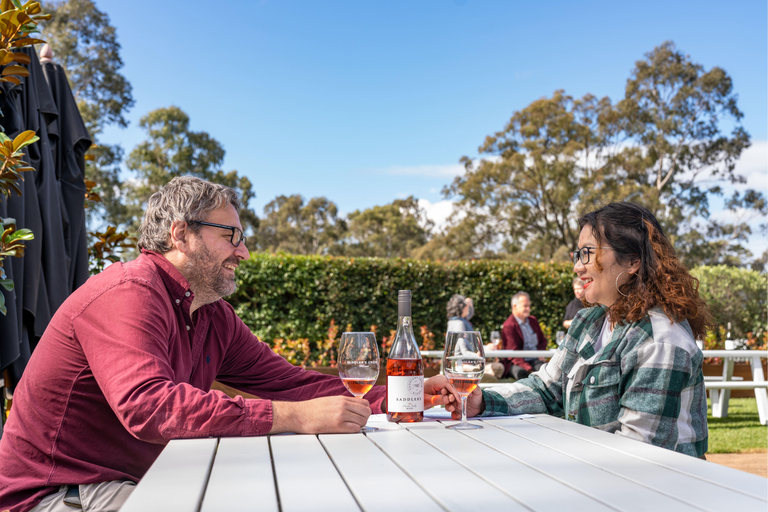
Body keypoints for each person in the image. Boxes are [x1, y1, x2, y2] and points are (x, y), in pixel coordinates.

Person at [0, 177, 455, 512]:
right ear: (180, 234)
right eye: (230, 236)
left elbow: (291, 384)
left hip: (137, 478)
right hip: (60, 492)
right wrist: (291, 418)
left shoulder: (212, 314)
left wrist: (407, 399)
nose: (244, 252)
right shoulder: (129, 292)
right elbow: (149, 406)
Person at [439, 202, 712, 458]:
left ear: (632, 261)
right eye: (577, 254)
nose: (577, 267)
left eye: (587, 253)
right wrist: (482, 401)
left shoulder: (659, 339)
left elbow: (637, 454)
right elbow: (546, 389)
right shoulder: (589, 322)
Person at [487, 292, 548, 380]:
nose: (528, 308)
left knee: (547, 372)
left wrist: (541, 354)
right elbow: (513, 354)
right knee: (522, 373)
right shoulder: (508, 325)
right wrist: (529, 369)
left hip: (535, 360)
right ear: (515, 306)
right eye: (525, 306)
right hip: (517, 363)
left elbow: (543, 341)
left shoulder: (533, 321)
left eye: (529, 306)